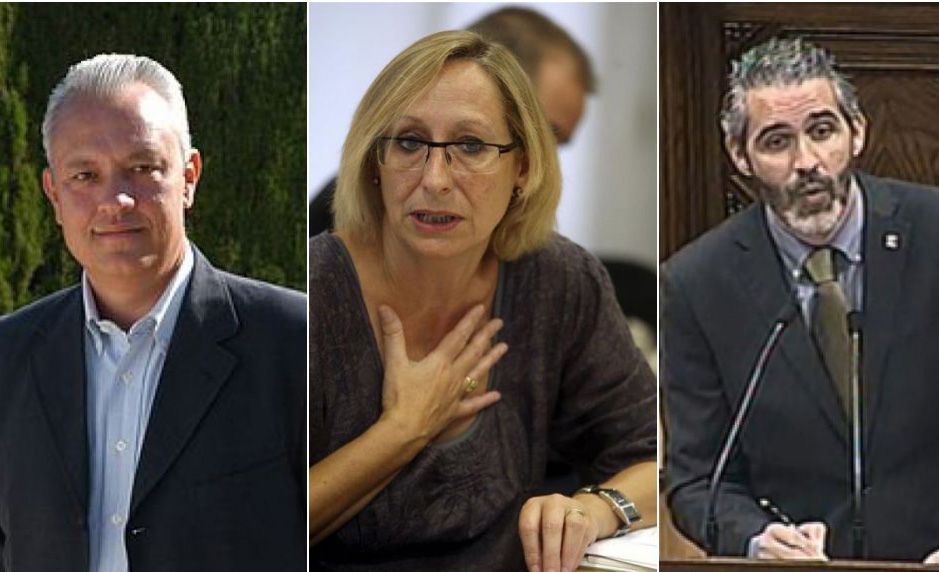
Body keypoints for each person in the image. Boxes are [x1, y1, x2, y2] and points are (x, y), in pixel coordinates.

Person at [309, 30, 657, 572]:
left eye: (471, 146)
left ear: (523, 169)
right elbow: (246, 522)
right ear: (375, 161)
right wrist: (405, 428)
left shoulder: (558, 279)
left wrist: (593, 510)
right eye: (409, 143)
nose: (435, 179)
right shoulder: (312, 291)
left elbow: (659, 459)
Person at [662, 37, 939, 563]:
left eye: (822, 132)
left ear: (857, 131)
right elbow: (698, 480)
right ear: (740, 156)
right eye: (777, 142)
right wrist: (756, 539)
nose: (807, 162)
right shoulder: (696, 285)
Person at [0, 54, 305, 572]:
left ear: (189, 177)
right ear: (53, 194)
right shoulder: (8, 358)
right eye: (85, 175)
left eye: (142, 168)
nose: (116, 199)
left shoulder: (294, 343)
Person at [309, 6, 595, 236]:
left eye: (556, 144)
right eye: (410, 142)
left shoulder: (552, 268)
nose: (542, 161)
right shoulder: (331, 242)